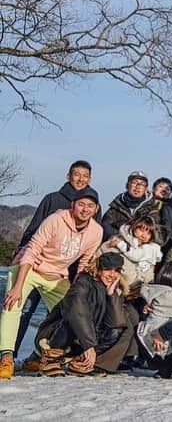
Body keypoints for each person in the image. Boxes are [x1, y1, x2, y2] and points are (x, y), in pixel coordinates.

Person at [0, 188, 103, 379]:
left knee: (69, 313)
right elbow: (32, 250)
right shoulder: (56, 220)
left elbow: (83, 264)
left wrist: (77, 292)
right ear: (73, 205)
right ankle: (5, 356)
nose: (85, 209)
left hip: (57, 275)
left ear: (96, 209)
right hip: (29, 267)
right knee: (12, 305)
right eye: (81, 204)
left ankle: (38, 357)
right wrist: (17, 287)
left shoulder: (96, 231)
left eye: (90, 206)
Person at [13, 159, 99, 363]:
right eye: (77, 174)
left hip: (65, 272)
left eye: (85, 176)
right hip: (36, 265)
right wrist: (22, 252)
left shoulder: (92, 203)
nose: (81, 179)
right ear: (68, 176)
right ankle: (11, 353)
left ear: (90, 179)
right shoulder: (53, 199)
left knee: (58, 316)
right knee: (24, 310)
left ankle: (40, 356)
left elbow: (92, 239)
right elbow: (35, 229)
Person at [35, 252, 134, 377]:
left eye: (117, 270)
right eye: (108, 269)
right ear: (98, 268)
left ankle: (80, 363)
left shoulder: (114, 289)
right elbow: (78, 313)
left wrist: (111, 295)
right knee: (72, 319)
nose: (112, 275)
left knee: (119, 329)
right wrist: (89, 345)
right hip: (56, 335)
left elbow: (116, 323)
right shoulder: (82, 283)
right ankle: (50, 361)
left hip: (86, 339)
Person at [102, 215, 163, 291]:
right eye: (141, 230)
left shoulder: (149, 248)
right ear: (134, 227)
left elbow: (150, 273)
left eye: (148, 233)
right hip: (117, 287)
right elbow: (128, 277)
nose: (144, 235)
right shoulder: (118, 242)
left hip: (139, 289)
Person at [101, 171, 163, 241]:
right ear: (127, 186)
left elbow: (154, 230)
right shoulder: (115, 208)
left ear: (146, 189)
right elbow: (106, 229)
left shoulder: (153, 208)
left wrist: (123, 225)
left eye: (142, 184)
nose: (138, 186)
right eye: (134, 183)